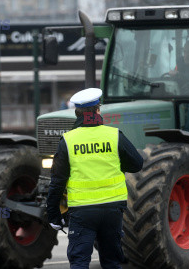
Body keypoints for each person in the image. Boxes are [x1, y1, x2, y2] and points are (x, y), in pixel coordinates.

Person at [46, 88, 143, 269]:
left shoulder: (67, 140)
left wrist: (53, 214)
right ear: (98, 110)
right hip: (113, 210)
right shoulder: (114, 135)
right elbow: (137, 164)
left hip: (82, 212)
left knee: (80, 262)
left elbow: (57, 180)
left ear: (77, 113)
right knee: (112, 262)